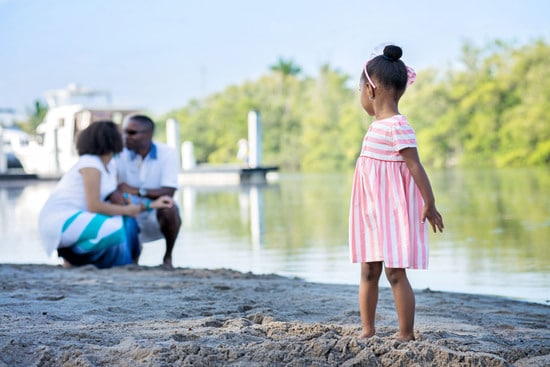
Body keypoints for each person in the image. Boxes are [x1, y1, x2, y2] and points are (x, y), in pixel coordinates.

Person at [349, 44, 444, 342]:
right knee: (368, 270)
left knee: (395, 273)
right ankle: (368, 329)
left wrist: (429, 203)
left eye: (360, 91)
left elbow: (415, 166)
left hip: (391, 213)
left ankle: (406, 333)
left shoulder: (398, 126)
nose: (361, 97)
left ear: (371, 90)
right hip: (370, 214)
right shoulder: (375, 126)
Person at [39, 121, 175, 269]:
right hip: (62, 219)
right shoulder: (90, 163)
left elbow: (118, 199)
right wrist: (128, 210)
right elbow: (94, 205)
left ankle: (127, 261)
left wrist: (151, 205)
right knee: (117, 229)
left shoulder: (109, 165)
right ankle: (73, 257)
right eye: (121, 134)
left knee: (127, 222)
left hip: (81, 217)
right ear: (111, 139)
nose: (124, 137)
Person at [111, 114, 181, 269]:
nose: (125, 137)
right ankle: (133, 255)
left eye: (131, 133)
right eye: (124, 132)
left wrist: (135, 190)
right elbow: (113, 187)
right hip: (127, 211)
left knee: (170, 207)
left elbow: (168, 191)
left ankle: (168, 257)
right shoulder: (118, 154)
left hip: (155, 213)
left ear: (148, 134)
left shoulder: (167, 153)